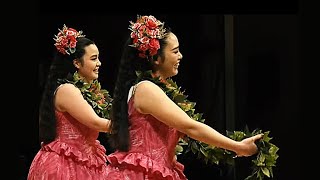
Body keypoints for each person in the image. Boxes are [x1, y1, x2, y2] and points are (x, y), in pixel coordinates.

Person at [105, 15, 263, 180]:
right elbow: (190, 127)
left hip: (160, 171)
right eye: (175, 51)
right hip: (141, 174)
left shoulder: (159, 90)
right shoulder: (146, 88)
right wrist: (237, 147)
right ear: (155, 58)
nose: (180, 56)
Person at [28, 24, 112, 180]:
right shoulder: (67, 90)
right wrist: (131, 126)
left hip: (84, 161)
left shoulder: (89, 90)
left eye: (98, 57)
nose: (99, 63)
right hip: (64, 164)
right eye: (93, 59)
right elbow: (96, 123)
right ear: (77, 63)